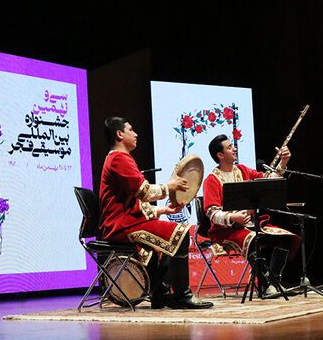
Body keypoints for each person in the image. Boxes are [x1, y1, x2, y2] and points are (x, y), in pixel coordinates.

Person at [99, 117, 213, 309]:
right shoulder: (118, 159)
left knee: (173, 239)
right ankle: (181, 296)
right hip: (120, 226)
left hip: (125, 222)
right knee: (181, 233)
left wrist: (162, 209)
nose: (135, 134)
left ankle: (161, 294)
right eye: (130, 129)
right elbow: (144, 192)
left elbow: (133, 204)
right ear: (119, 134)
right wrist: (170, 186)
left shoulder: (118, 159)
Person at [202, 134, 301, 295]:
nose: (234, 149)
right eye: (229, 147)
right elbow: (211, 212)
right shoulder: (211, 180)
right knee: (252, 240)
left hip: (249, 225)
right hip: (226, 231)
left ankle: (274, 282)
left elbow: (268, 180)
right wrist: (233, 217)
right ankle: (264, 285)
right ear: (220, 155)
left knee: (285, 237)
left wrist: (283, 162)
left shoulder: (242, 170)